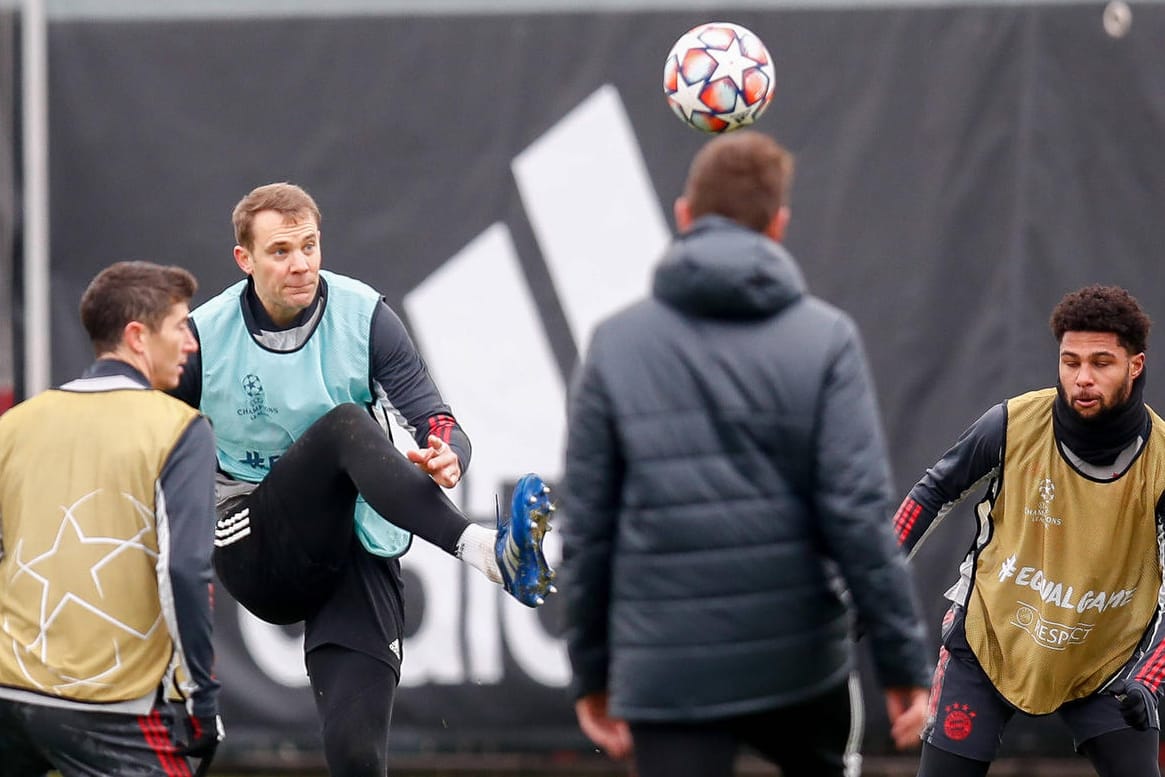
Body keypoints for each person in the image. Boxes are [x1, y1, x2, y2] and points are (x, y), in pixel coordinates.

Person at [559, 130, 932, 777]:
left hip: (666, 671)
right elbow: (858, 518)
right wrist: (902, 664)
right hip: (797, 663)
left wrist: (591, 672)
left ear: (682, 216)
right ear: (778, 225)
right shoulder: (826, 339)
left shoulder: (614, 343)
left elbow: (587, 531)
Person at [170, 182, 553, 777]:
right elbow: (144, 450)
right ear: (244, 260)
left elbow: (440, 423)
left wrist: (447, 456)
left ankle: (491, 554)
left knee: (356, 753)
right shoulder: (201, 338)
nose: (300, 264)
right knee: (346, 425)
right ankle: (485, 550)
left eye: (309, 245)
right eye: (280, 251)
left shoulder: (364, 316)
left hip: (350, 549)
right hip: (253, 543)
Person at [897, 284, 1165, 777]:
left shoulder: (1163, 461)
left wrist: (1149, 681)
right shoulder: (1010, 424)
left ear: (1135, 365)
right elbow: (929, 495)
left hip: (1105, 659)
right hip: (992, 641)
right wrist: (873, 585)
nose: (1082, 378)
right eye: (1070, 361)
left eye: (1101, 363)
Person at [0, 261, 222, 776]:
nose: (191, 343)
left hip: (8, 696)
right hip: (112, 707)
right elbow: (184, 570)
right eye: (181, 326)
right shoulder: (180, 427)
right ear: (137, 337)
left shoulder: (16, 423)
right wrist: (202, 699)